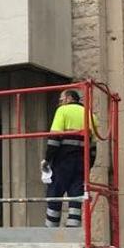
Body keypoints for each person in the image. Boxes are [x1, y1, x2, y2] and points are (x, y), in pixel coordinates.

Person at [44, 90, 97, 228]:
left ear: (68, 98)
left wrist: (47, 159)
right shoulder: (91, 115)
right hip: (81, 163)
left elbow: (54, 139)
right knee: (76, 197)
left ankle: (51, 231)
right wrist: (88, 166)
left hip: (63, 161)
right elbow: (93, 148)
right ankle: (73, 230)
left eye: (61, 99)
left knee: (54, 194)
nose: (61, 102)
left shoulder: (63, 111)